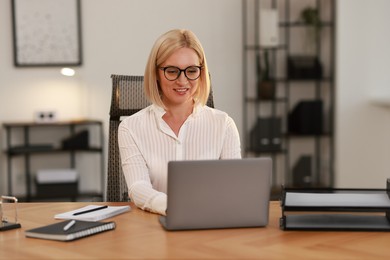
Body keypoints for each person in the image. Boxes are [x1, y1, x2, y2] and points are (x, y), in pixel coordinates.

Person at [118, 29, 241, 215]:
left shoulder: (224, 124)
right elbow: (137, 187)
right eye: (172, 71)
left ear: (201, 73)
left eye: (191, 71)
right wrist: (175, 207)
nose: (182, 81)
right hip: (153, 230)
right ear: (156, 73)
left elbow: (234, 186)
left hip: (209, 225)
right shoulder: (130, 128)